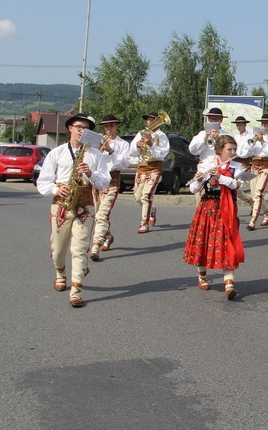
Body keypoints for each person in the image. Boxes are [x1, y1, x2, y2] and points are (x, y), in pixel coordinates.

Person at [36, 113, 111, 308]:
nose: (81, 131)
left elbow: (105, 181)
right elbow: (43, 181)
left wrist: (90, 173)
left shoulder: (95, 154)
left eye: (85, 128)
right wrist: (55, 188)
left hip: (85, 205)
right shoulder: (57, 152)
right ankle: (60, 273)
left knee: (79, 249)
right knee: (58, 249)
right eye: (78, 127)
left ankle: (76, 290)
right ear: (70, 128)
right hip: (62, 202)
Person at [183, 135, 245, 299]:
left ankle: (229, 285)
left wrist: (220, 177)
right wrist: (199, 178)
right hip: (207, 208)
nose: (232, 152)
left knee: (227, 244)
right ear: (219, 150)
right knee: (203, 242)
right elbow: (193, 189)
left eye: (234, 149)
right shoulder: (208, 164)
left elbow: (238, 185)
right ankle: (202, 275)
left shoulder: (236, 167)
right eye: (229, 149)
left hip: (227, 210)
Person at [90, 114, 130, 261]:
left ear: (117, 126)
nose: (108, 128)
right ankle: (108, 236)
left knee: (102, 215)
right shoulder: (97, 141)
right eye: (106, 126)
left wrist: (110, 150)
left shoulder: (123, 145)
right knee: (97, 215)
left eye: (111, 125)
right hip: (96, 180)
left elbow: (124, 164)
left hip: (112, 181)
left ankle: (95, 246)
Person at [236, 113, 268, 230]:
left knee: (259, 193)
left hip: (266, 165)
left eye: (266, 123)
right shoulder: (253, 135)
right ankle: (267, 215)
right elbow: (247, 153)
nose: (263, 125)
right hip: (255, 165)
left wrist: (263, 141)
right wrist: (253, 142)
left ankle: (253, 220)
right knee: (255, 194)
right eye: (262, 122)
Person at [129, 111, 170, 233]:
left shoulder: (161, 136)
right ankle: (152, 210)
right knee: (137, 197)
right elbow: (132, 152)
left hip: (154, 168)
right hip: (141, 167)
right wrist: (137, 145)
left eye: (153, 120)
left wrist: (151, 144)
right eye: (148, 120)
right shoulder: (141, 134)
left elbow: (162, 155)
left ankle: (144, 223)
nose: (150, 122)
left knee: (146, 196)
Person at [231, 116, 257, 211]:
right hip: (234, 163)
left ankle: (251, 202)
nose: (239, 126)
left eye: (241, 124)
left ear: (245, 125)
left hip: (243, 164)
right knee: (234, 187)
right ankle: (250, 202)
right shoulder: (236, 136)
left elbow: (248, 152)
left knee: (237, 187)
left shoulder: (249, 137)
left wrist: (238, 154)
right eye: (237, 125)